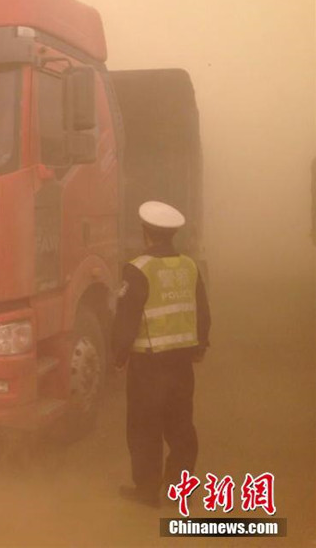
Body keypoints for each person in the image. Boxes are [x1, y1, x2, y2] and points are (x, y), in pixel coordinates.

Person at [113, 200, 211, 507]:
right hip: (181, 362)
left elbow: (126, 317)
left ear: (146, 233)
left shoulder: (137, 269)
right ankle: (178, 490)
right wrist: (200, 347)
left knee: (144, 428)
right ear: (172, 235)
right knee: (181, 427)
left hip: (148, 365)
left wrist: (118, 356)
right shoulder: (189, 265)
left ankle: (146, 491)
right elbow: (202, 311)